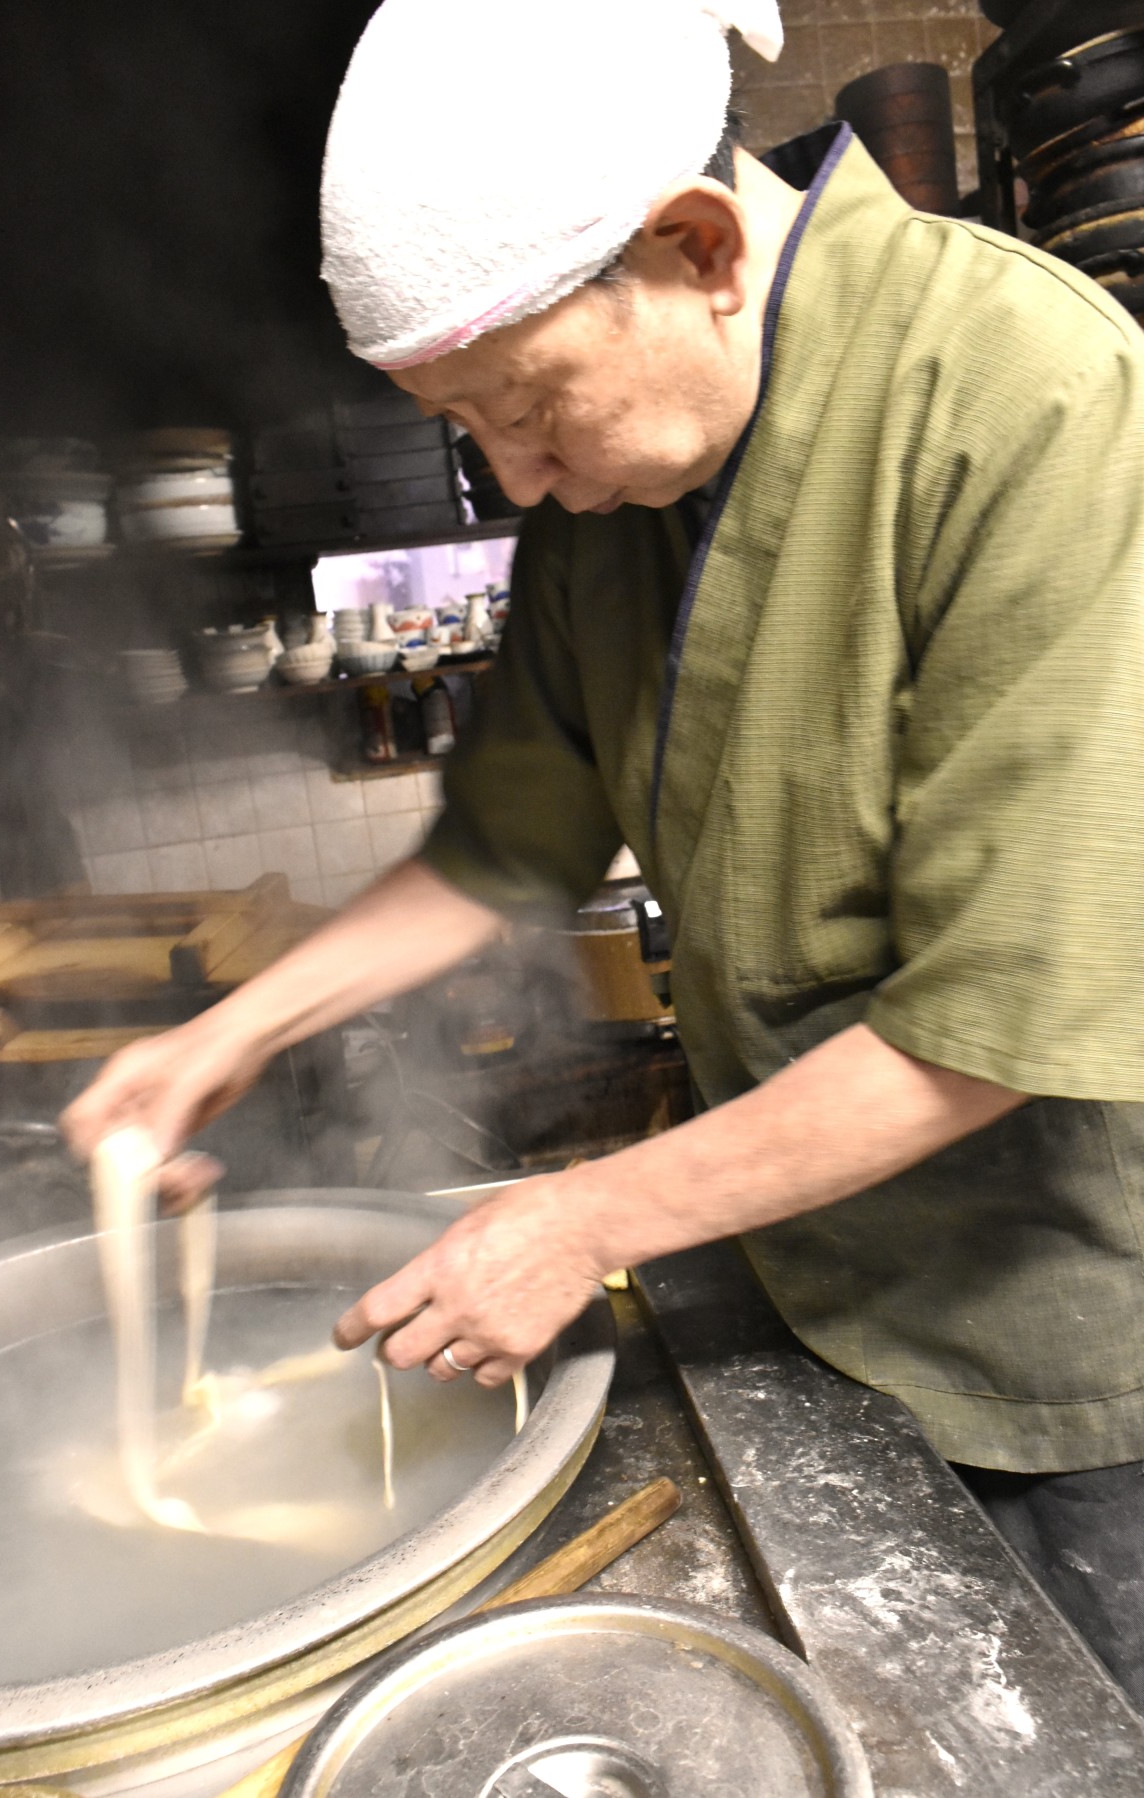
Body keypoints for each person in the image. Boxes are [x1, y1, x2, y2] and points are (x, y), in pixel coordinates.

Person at [64, 0, 1144, 1704]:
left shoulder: (1036, 402)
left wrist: (586, 1218)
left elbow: (1004, 1017)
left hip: (1057, 1346)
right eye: (469, 431)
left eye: (522, 409)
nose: (515, 479)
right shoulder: (621, 486)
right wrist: (227, 1033)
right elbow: (507, 846)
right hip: (806, 1283)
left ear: (698, 247)